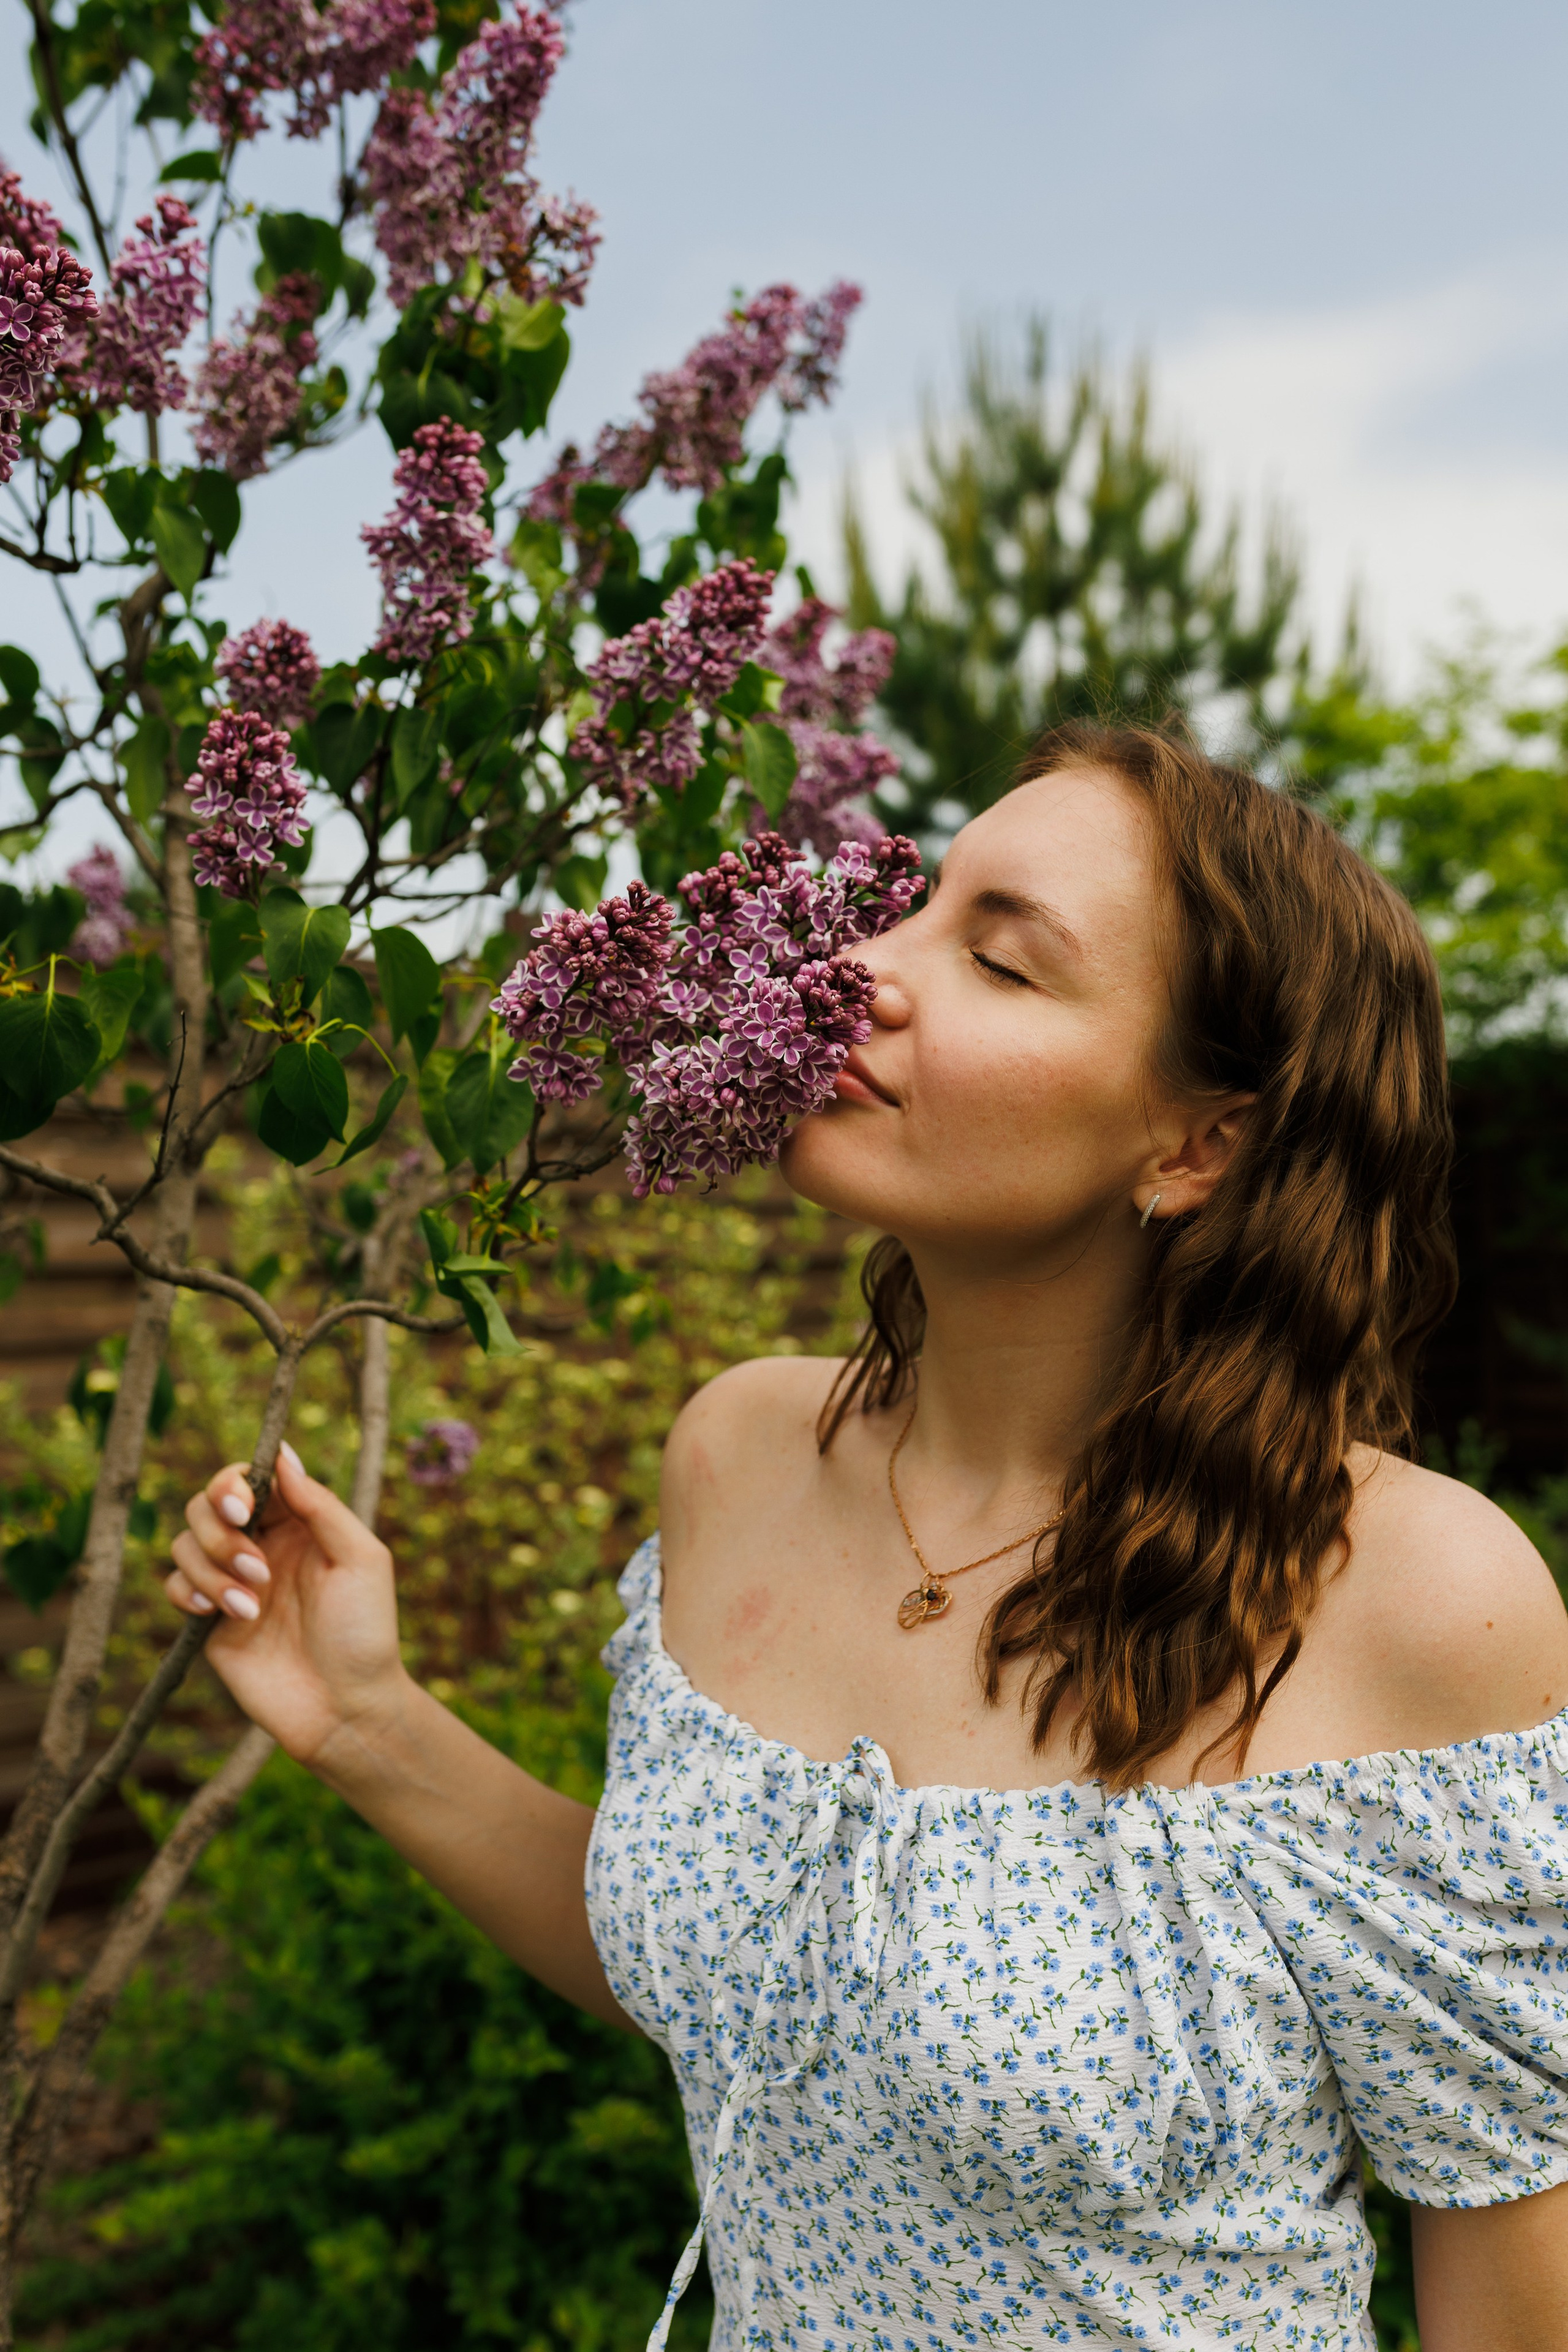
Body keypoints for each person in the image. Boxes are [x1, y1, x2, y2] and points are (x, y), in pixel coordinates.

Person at [168, 723, 1568, 2351]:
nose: (858, 969)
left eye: (1001, 960)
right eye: (914, 906)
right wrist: (363, 1717)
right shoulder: (741, 1454)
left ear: (1196, 1145)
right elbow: (740, 1988)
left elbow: (1511, 2265)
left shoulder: (1417, 1598)